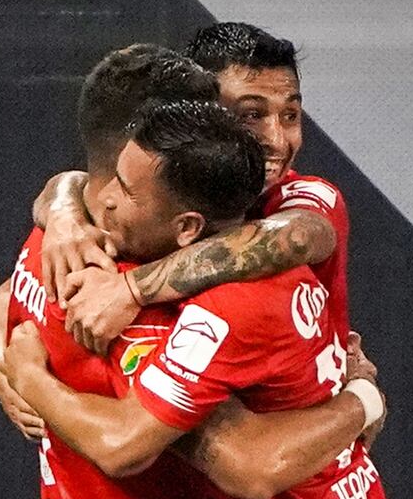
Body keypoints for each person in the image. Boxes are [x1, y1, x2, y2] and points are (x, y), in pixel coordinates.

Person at [0, 46, 382, 499]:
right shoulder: (109, 267)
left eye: (289, 115)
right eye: (243, 116)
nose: (270, 141)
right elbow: (240, 463)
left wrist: (120, 285)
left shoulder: (288, 209)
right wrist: (363, 400)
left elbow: (299, 235)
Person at [35, 23, 347, 362]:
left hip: (273, 410)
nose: (277, 140)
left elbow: (297, 237)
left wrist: (131, 290)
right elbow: (3, 305)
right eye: (251, 115)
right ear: (196, 113)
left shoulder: (305, 196)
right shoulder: (143, 200)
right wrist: (62, 212)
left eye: (290, 115)